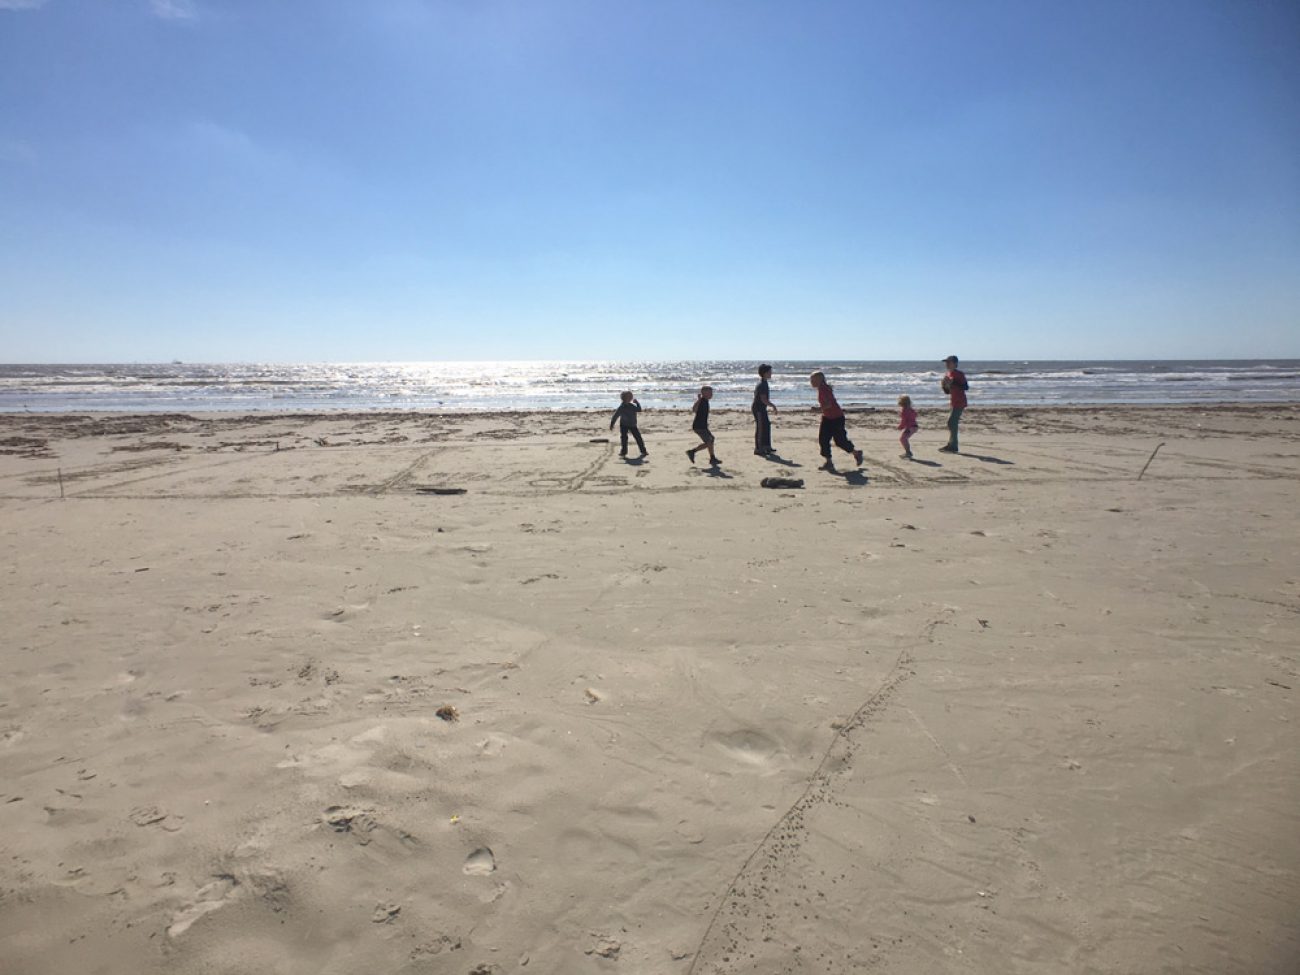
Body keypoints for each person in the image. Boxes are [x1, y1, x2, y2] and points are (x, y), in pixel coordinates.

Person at [809, 371, 863, 471]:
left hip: (836, 418)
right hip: (827, 418)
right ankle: (828, 462)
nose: (811, 382)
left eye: (812, 380)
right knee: (823, 440)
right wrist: (821, 410)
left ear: (819, 380)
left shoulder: (824, 389)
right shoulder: (821, 389)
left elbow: (829, 404)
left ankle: (856, 453)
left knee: (840, 441)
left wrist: (818, 409)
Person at [939, 355, 969, 453]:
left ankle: (953, 445)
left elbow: (965, 387)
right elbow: (947, 391)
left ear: (955, 364)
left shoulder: (959, 374)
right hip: (954, 401)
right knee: (952, 423)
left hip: (960, 401)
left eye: (949, 362)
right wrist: (944, 386)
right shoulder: (948, 374)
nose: (947, 364)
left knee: (952, 422)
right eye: (946, 362)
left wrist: (953, 382)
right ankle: (952, 444)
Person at [686, 385, 719, 466]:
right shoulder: (702, 401)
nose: (712, 394)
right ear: (704, 393)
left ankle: (712, 458)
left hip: (703, 426)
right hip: (699, 426)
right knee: (709, 441)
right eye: (710, 393)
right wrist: (699, 399)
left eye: (712, 393)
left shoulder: (705, 401)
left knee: (711, 440)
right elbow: (694, 409)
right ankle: (692, 452)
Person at [609, 390, 647, 458]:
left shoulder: (632, 405)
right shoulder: (621, 407)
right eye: (629, 397)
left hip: (633, 425)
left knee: (638, 437)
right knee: (624, 438)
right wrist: (612, 424)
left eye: (631, 396)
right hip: (624, 425)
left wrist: (637, 403)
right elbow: (616, 415)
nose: (631, 398)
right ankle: (623, 452)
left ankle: (643, 451)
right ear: (624, 398)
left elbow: (639, 409)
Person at [752, 364, 777, 456]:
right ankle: (758, 448)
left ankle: (767, 446)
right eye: (769, 372)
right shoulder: (762, 384)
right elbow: (763, 399)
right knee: (761, 428)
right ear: (765, 373)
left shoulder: (765, 383)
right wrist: (773, 406)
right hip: (758, 408)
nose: (771, 374)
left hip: (762, 408)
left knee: (767, 425)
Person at [897, 394, 919, 459]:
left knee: (903, 439)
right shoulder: (910, 409)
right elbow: (915, 415)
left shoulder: (904, 411)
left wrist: (901, 427)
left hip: (910, 427)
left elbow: (904, 420)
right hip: (914, 426)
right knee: (904, 439)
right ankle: (908, 452)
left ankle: (908, 452)